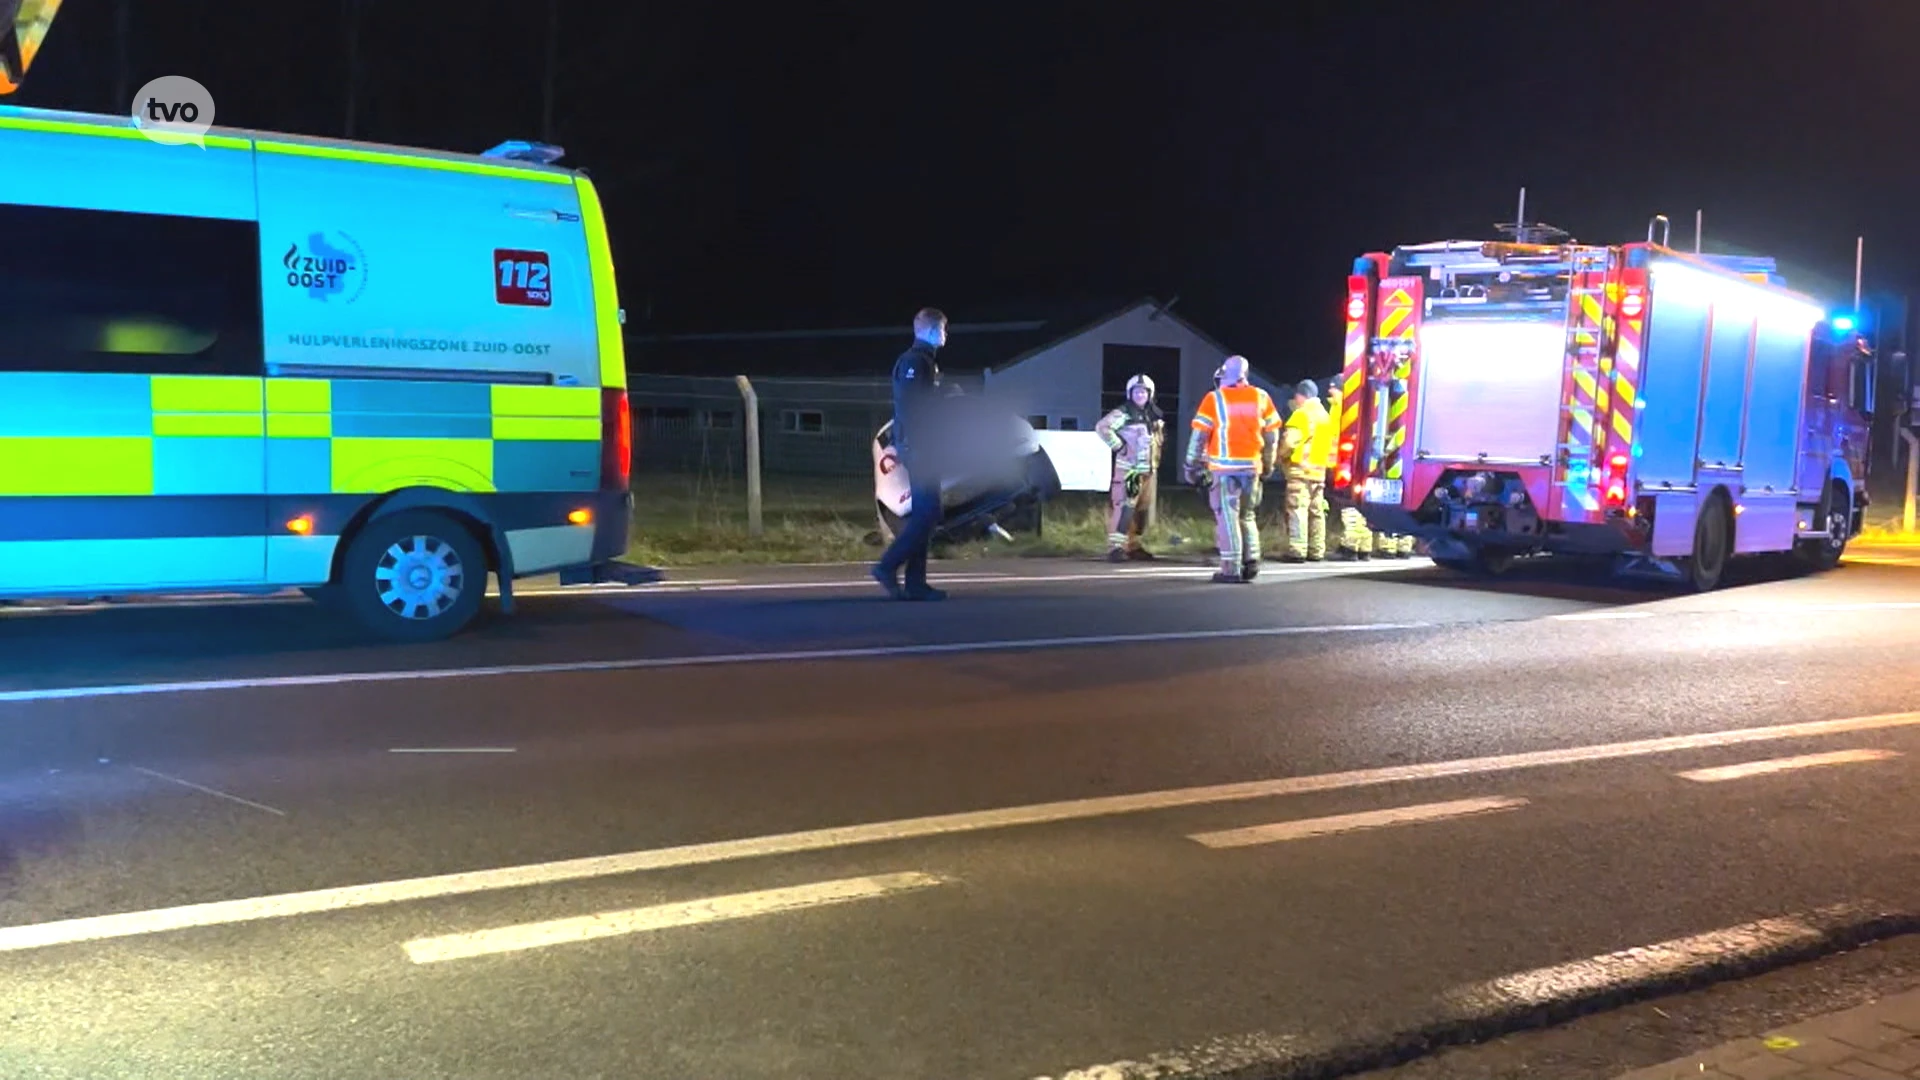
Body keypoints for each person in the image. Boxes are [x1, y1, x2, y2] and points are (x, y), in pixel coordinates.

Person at [872, 308, 950, 601]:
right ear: (930, 331)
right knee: (929, 513)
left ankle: (916, 583)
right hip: (921, 448)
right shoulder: (917, 363)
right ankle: (888, 566)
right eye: (943, 329)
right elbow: (914, 408)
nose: (946, 335)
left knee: (924, 513)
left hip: (920, 446)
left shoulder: (921, 361)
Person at [1185, 354, 1281, 583]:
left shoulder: (1213, 399)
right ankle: (1252, 561)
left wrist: (1191, 465)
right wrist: (1268, 464)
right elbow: (1272, 437)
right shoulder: (1262, 397)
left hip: (1224, 470)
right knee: (1248, 516)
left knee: (1228, 518)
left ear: (1224, 374)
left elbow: (1198, 438)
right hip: (1252, 469)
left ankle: (1230, 568)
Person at [1095, 374, 1165, 562]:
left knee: (1141, 510)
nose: (1140, 395)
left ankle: (1133, 545)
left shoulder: (1154, 415)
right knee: (1125, 507)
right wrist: (1120, 446)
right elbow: (1102, 427)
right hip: (1130, 471)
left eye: (1143, 391)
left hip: (1148, 471)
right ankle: (1115, 548)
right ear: (1130, 393)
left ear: (1150, 394)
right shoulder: (1124, 413)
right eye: (1137, 391)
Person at [1280, 379, 1333, 563]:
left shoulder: (1301, 414)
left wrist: (1281, 457)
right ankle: (1316, 550)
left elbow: (1289, 442)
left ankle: (1297, 550)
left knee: (1297, 510)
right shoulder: (1325, 416)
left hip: (1300, 472)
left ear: (1301, 395)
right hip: (1319, 473)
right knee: (1317, 512)